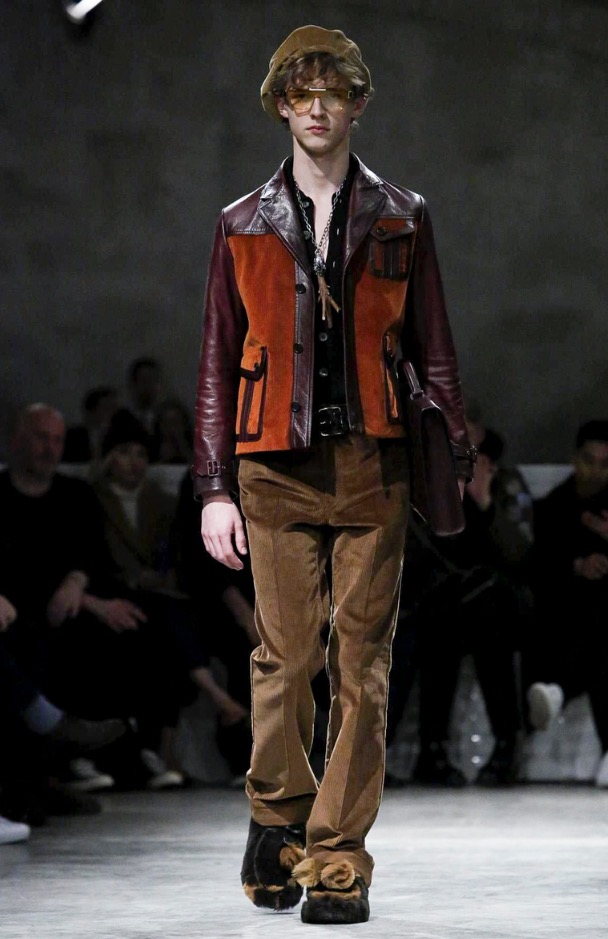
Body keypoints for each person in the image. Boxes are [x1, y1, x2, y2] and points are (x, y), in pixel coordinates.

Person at [192, 25, 475, 925]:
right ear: (281, 105)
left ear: (357, 102)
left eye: (334, 91)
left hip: (372, 463)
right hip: (270, 465)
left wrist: (452, 457)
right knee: (284, 656)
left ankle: (339, 857)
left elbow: (433, 347)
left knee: (363, 664)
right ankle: (278, 815)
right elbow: (217, 357)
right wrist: (213, 487)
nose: (317, 107)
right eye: (301, 92)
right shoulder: (242, 222)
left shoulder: (402, 214)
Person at [525, 419, 608, 788]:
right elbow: (537, 566)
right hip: (567, 612)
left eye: (605, 464)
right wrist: (577, 566)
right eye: (590, 461)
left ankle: (559, 690)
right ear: (576, 459)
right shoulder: (554, 507)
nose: (596, 472)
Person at [62, 385, 119, 464]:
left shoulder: (119, 438)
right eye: (107, 408)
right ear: (91, 411)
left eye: (114, 408)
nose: (113, 413)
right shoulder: (72, 436)